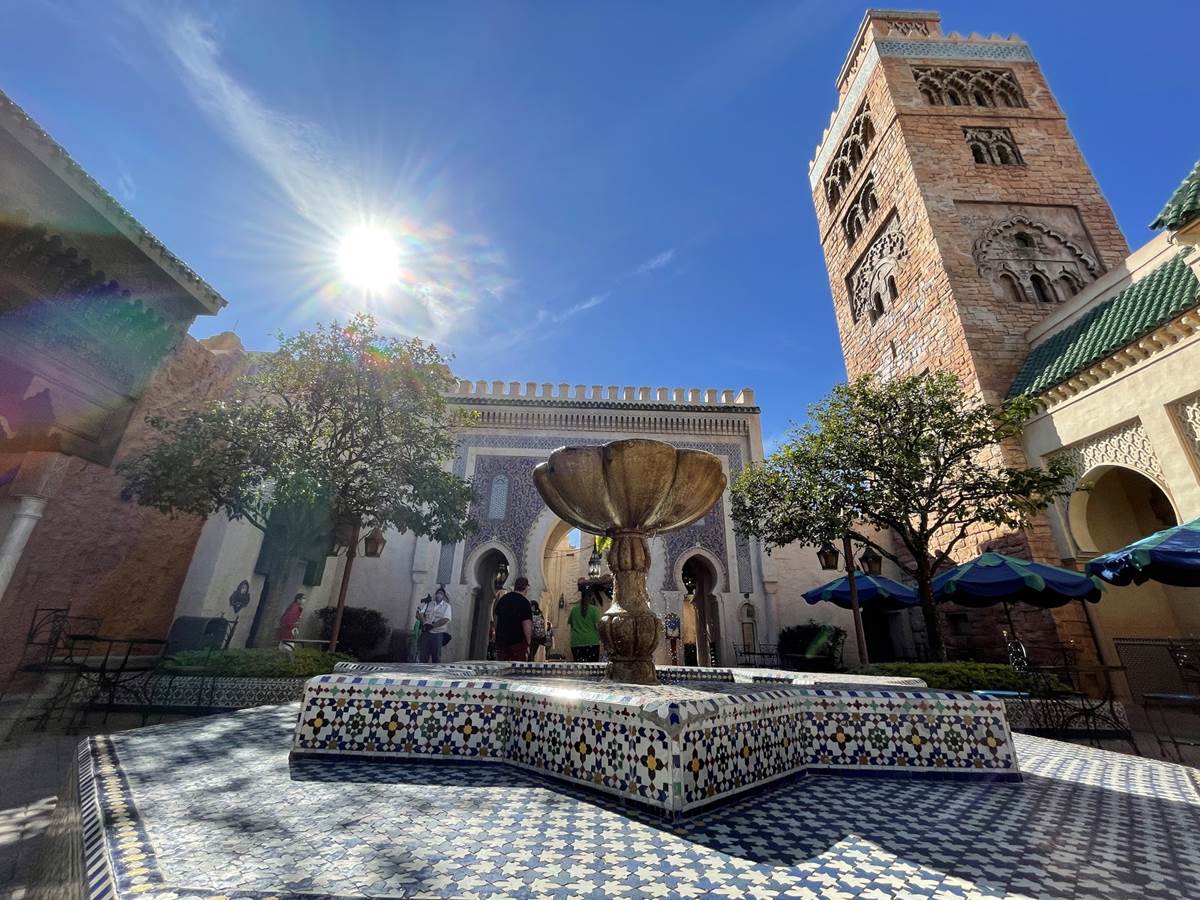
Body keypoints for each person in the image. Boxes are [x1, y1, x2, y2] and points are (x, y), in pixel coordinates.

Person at [494, 576, 533, 661]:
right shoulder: (524, 603)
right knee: (517, 667)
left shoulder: (503, 599)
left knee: (502, 666)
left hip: (501, 642)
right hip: (517, 644)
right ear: (526, 587)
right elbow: (526, 624)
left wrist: (498, 635)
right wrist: (529, 642)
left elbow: (496, 619)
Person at [416, 587, 452, 663]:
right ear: (435, 594)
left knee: (436, 656)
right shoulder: (429, 604)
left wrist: (433, 626)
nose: (439, 595)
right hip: (426, 632)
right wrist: (425, 623)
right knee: (423, 655)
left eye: (441, 594)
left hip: (437, 634)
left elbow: (446, 619)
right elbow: (420, 614)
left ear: (444, 596)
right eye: (438, 593)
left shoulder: (446, 606)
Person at [568, 589, 602, 662]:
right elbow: (598, 626)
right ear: (591, 598)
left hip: (576, 642)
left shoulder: (574, 610)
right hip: (592, 641)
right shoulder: (595, 610)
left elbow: (571, 626)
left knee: (579, 666)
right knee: (592, 667)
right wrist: (601, 638)